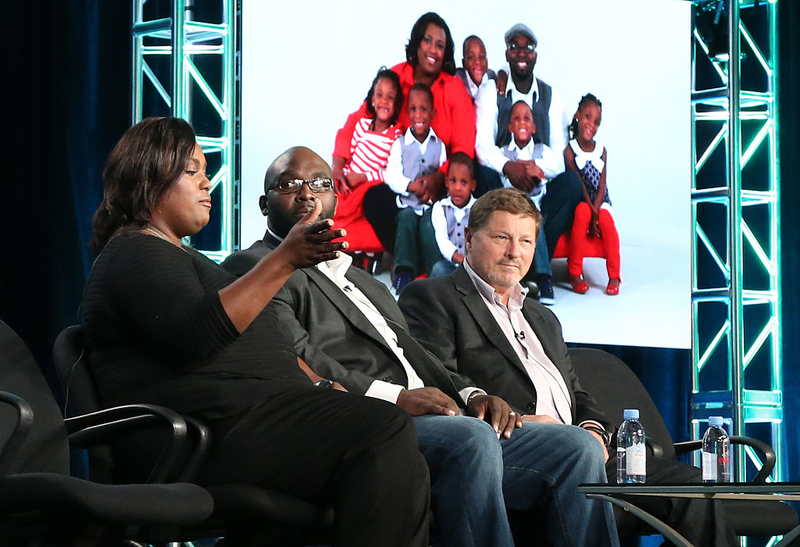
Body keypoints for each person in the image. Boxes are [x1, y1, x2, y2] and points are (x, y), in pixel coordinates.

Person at [225, 146, 620, 547]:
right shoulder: (253, 270)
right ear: (264, 203)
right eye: (291, 184)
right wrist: (399, 397)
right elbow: (296, 357)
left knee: (577, 448)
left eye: (321, 183)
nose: (308, 194)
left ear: (335, 198)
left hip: (438, 415)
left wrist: (475, 393)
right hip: (363, 421)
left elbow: (418, 355)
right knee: (472, 438)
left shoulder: (365, 282)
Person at [80, 118, 431, 547]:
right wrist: (283, 260)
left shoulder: (181, 258)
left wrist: (321, 384)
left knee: (407, 463)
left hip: (247, 423)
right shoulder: (134, 251)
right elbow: (195, 338)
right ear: (149, 176)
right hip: (200, 437)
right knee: (383, 429)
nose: (208, 184)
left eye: (206, 172)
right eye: (193, 171)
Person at [398, 188, 737, 547]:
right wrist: (520, 419)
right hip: (509, 448)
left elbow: (576, 392)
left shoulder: (543, 317)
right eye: (502, 238)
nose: (515, 252)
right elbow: (439, 381)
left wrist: (592, 427)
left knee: (696, 489)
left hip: (585, 448)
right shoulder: (433, 297)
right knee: (577, 451)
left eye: (526, 241)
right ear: (468, 238)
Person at [333, 12, 476, 253]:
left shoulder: (453, 88)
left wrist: (440, 177)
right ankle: (407, 257)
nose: (433, 50)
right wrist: (338, 164)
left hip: (443, 180)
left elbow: (464, 148)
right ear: (417, 43)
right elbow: (358, 119)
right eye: (427, 40)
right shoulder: (397, 77)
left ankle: (427, 254)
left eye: (440, 45)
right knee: (374, 199)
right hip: (397, 178)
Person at [475, 22, 584, 304]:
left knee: (571, 184)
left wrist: (534, 169)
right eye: (515, 47)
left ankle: (532, 258)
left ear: (535, 54)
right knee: (482, 172)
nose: (521, 52)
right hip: (503, 186)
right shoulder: (492, 91)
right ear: (507, 53)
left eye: (528, 47)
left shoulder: (550, 97)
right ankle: (510, 254)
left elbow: (559, 155)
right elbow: (483, 145)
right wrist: (509, 168)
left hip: (539, 190)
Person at [330, 68, 404, 253]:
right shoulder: (362, 125)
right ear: (371, 99)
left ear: (397, 104)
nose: (384, 101)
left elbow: (390, 173)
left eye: (390, 97)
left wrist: (362, 178)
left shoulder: (396, 135)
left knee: (361, 209)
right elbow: (350, 157)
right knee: (327, 206)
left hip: (368, 184)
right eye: (379, 95)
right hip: (349, 182)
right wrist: (344, 178)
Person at [385, 84, 447, 292]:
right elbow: (391, 175)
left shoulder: (439, 145)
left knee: (431, 226)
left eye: (423, 109)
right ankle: (404, 272)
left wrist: (434, 192)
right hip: (408, 204)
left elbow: (444, 176)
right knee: (406, 221)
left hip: (430, 205)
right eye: (413, 109)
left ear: (432, 113)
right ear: (408, 112)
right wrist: (410, 185)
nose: (418, 114)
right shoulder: (400, 144)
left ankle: (435, 274)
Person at [502, 100, 563, 304]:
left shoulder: (542, 151)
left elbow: (557, 167)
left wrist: (536, 166)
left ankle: (544, 279)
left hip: (538, 208)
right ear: (510, 126)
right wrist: (517, 170)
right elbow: (503, 180)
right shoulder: (504, 153)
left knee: (538, 223)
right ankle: (519, 280)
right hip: (513, 212)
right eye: (516, 118)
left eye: (526, 118)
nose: (522, 122)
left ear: (534, 127)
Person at [564, 93, 621, 295]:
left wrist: (597, 210)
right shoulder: (570, 150)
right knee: (581, 214)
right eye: (588, 117)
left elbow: (603, 184)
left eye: (596, 122)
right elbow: (578, 184)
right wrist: (590, 210)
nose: (591, 125)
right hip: (581, 199)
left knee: (606, 220)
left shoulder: (602, 150)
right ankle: (574, 272)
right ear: (578, 115)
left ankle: (614, 276)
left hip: (600, 200)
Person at [428, 152, 477, 278]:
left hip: (475, 266)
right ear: (446, 182)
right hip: (451, 266)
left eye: (464, 182)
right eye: (453, 181)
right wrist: (461, 260)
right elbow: (442, 241)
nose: (457, 188)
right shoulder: (440, 208)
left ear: (473, 185)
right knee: (439, 269)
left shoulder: (479, 208)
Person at [454, 35, 496, 100]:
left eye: (481, 57)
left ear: (487, 61)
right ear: (464, 63)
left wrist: (502, 73)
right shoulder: (456, 79)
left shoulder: (491, 77)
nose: (477, 62)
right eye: (471, 57)